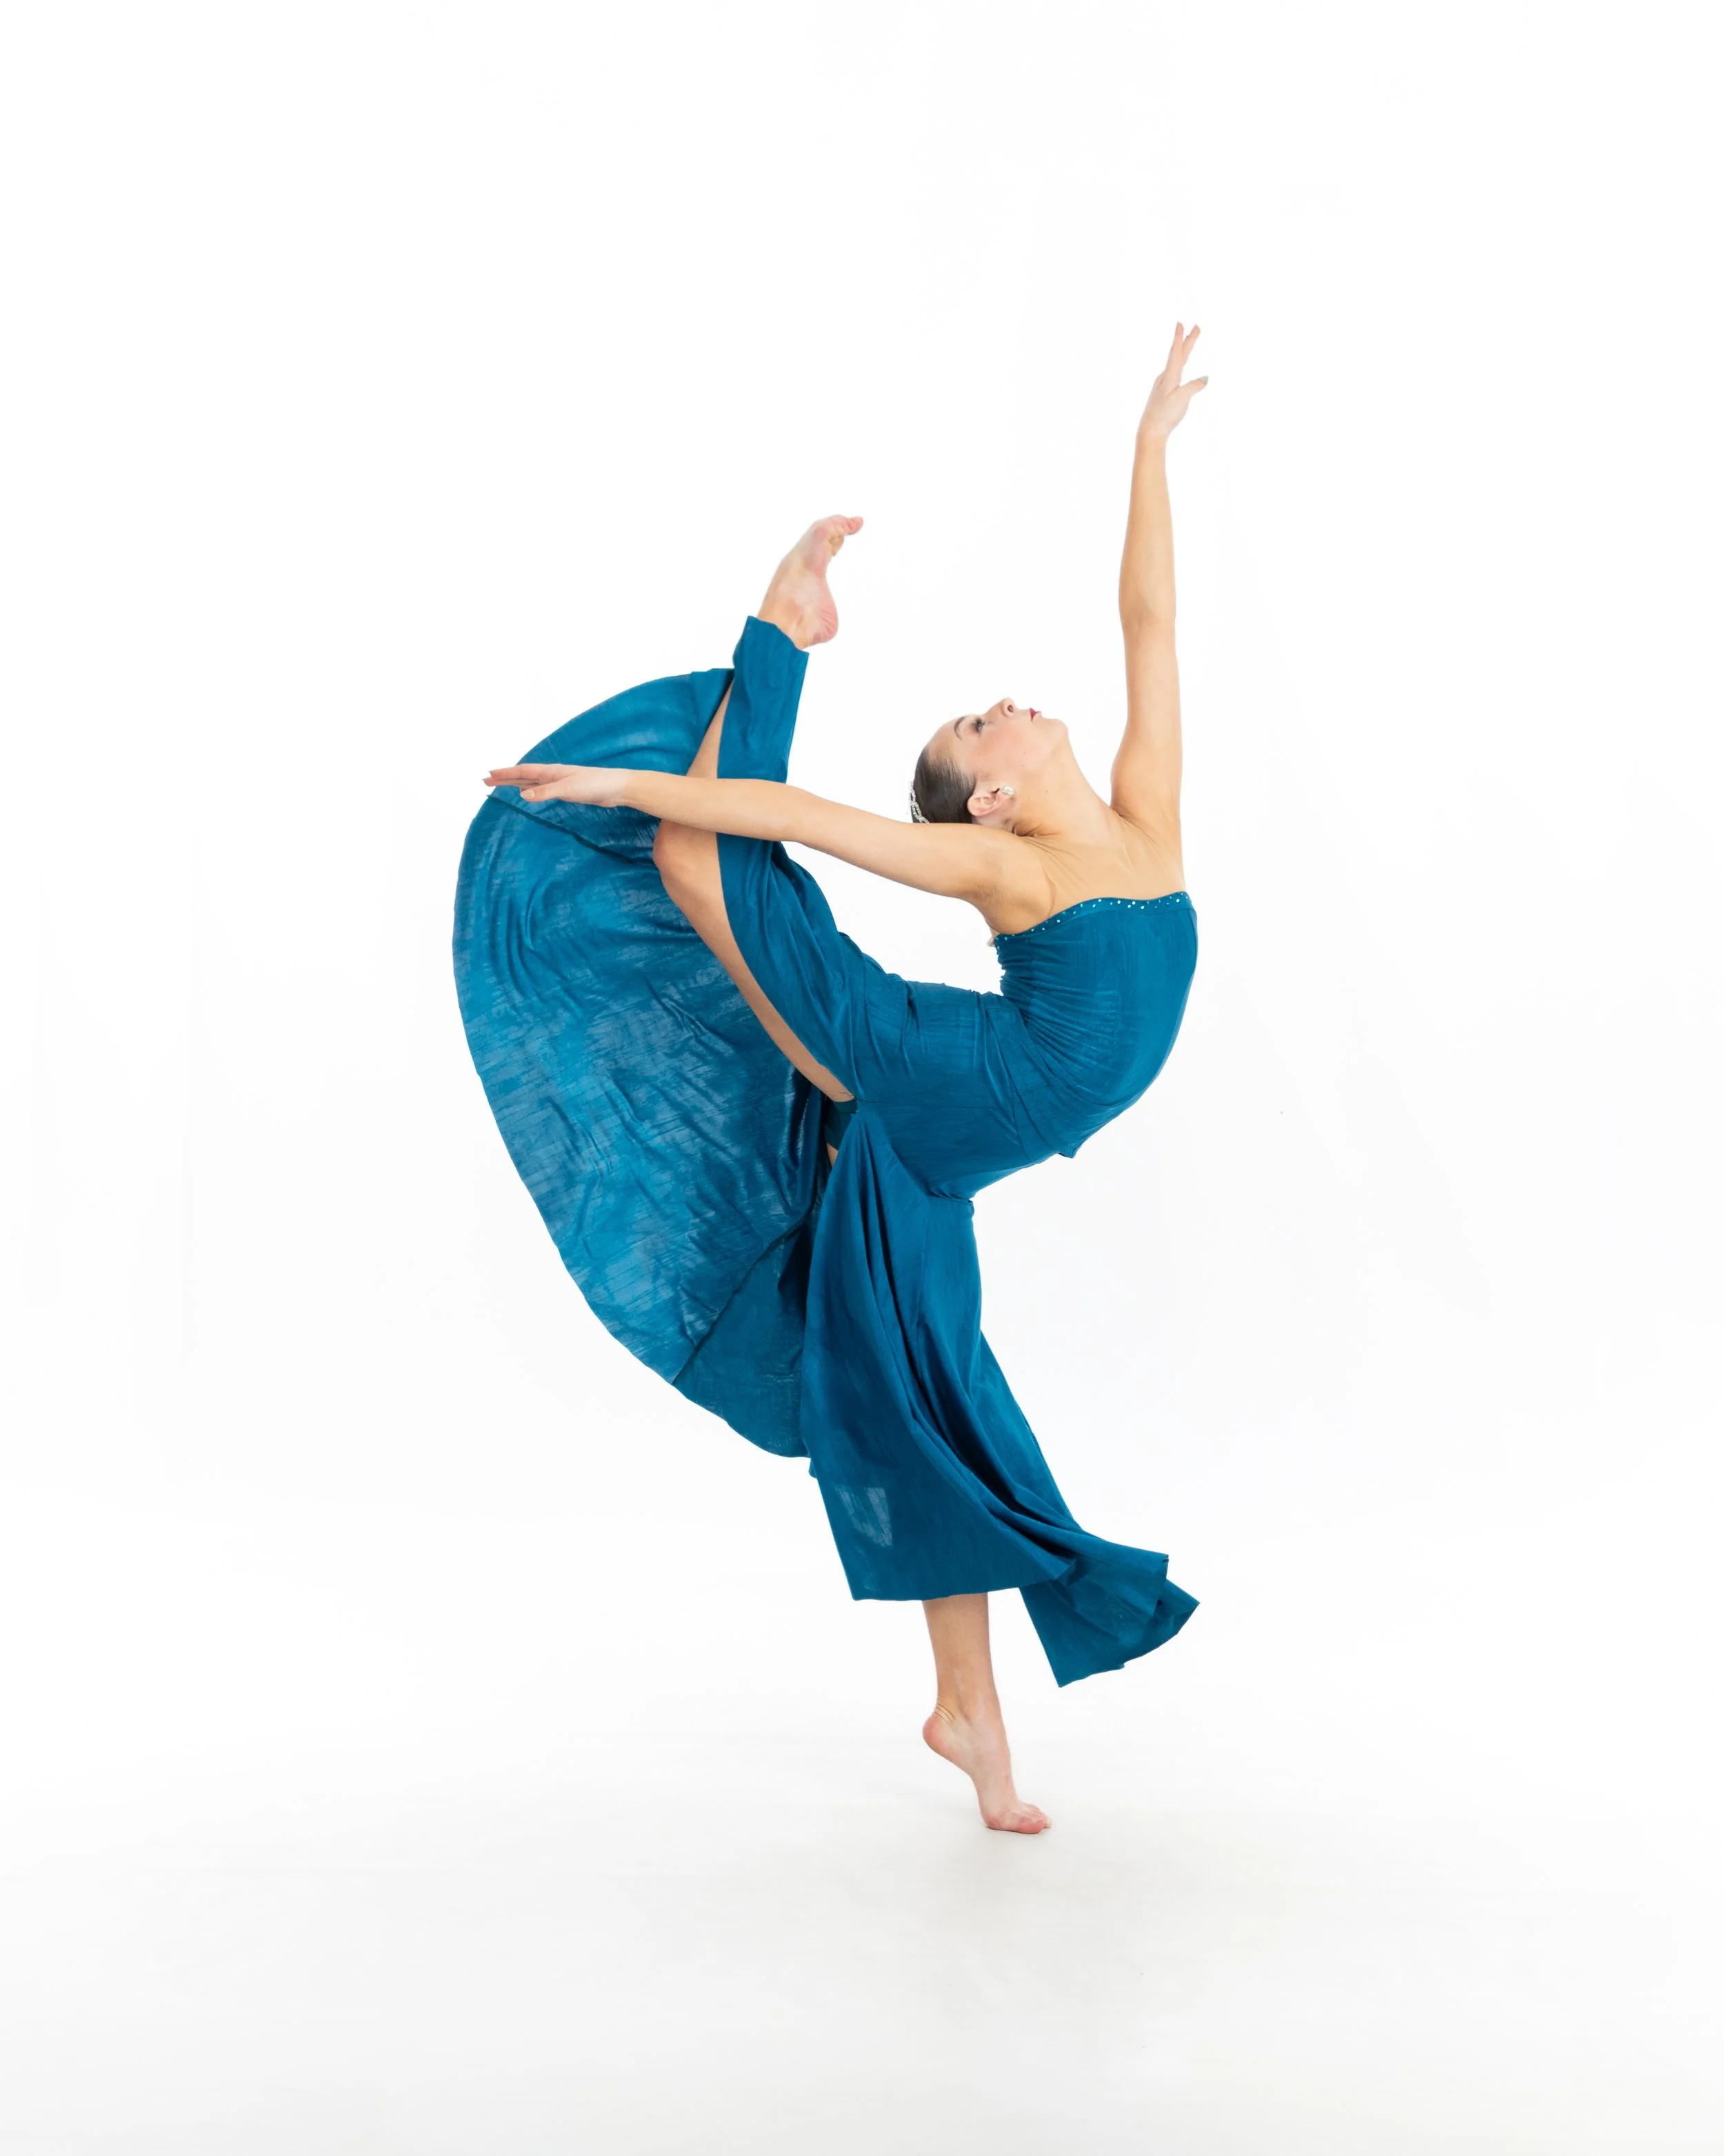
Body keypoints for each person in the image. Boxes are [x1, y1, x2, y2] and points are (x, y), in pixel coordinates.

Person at [456, 323, 1210, 1835]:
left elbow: (1145, 622)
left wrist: (1144, 449)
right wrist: (614, 781)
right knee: (695, 853)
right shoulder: (993, 859)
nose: (1004, 699)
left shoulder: (1142, 815)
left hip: (942, 1131)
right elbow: (797, 812)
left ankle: (968, 1719)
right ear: (990, 792)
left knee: (923, 1387)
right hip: (930, 1079)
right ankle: (780, 628)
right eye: (978, 721)